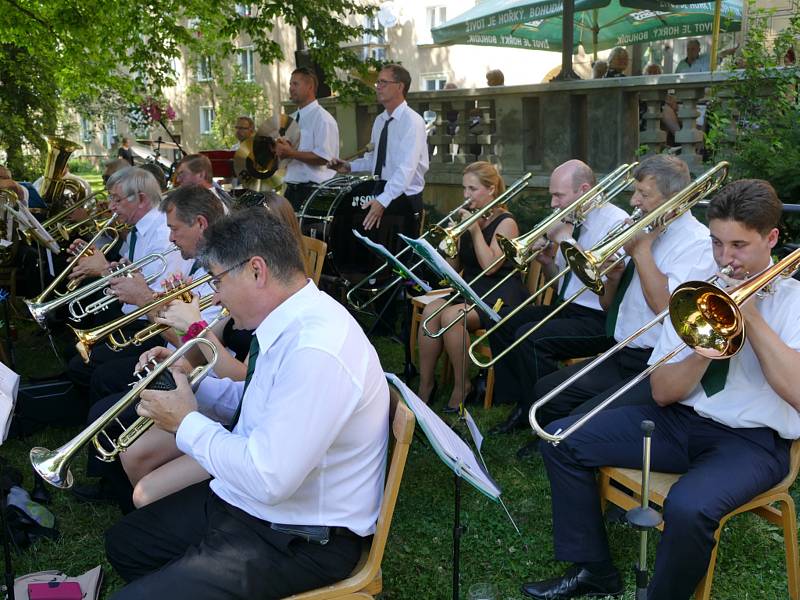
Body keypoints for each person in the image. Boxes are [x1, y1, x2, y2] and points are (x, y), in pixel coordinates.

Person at [524, 179, 800, 600]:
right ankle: (594, 569)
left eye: (739, 245)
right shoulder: (698, 291)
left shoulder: (794, 301)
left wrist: (751, 319)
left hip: (752, 443)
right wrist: (709, 342)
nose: (726, 258)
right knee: (561, 440)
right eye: (716, 243)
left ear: (772, 238)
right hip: (679, 420)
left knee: (688, 508)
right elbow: (662, 392)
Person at [105, 207, 389, 600]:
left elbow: (270, 478)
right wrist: (191, 387)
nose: (216, 294)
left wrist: (186, 422)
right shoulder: (291, 320)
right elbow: (256, 400)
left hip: (299, 536)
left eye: (218, 279)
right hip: (254, 508)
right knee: (126, 543)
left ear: (257, 271)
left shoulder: (316, 347)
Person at [522, 156, 717, 439]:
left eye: (644, 194)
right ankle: (552, 440)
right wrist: (612, 279)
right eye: (635, 192)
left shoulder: (697, 243)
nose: (634, 201)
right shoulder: (648, 230)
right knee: (546, 393)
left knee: (579, 420)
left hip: (654, 363)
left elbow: (667, 309)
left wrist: (640, 253)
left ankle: (563, 443)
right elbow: (607, 306)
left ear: (675, 197)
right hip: (621, 350)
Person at [488, 160, 628, 435]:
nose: (553, 203)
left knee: (531, 338)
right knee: (501, 320)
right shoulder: (574, 219)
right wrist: (547, 261)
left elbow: (602, 284)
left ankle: (547, 415)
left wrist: (565, 240)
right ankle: (522, 401)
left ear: (584, 189)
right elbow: (565, 280)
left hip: (601, 318)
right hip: (568, 307)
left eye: (558, 195)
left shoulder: (614, 222)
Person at [417, 162, 528, 412]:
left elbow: (490, 267)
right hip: (473, 289)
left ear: (491, 190)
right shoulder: (471, 217)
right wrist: (452, 242)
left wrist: (475, 230)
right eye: (464, 188)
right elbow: (453, 269)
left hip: (500, 293)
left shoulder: (506, 223)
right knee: (429, 313)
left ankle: (462, 385)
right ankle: (426, 385)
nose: (466, 195)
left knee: (452, 317)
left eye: (473, 188)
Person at [328, 64, 428, 235]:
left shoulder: (413, 121)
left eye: (383, 82)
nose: (378, 87)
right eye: (377, 83)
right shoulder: (380, 120)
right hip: (381, 193)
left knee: (400, 258)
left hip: (404, 200)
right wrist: (350, 167)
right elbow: (375, 159)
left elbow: (407, 168)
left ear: (400, 87)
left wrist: (383, 200)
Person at [276, 67, 339, 211]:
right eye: (290, 84)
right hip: (291, 190)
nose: (291, 88)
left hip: (314, 193)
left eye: (295, 84)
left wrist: (291, 153)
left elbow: (324, 158)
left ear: (310, 87)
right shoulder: (290, 119)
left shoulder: (323, 119)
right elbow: (285, 158)